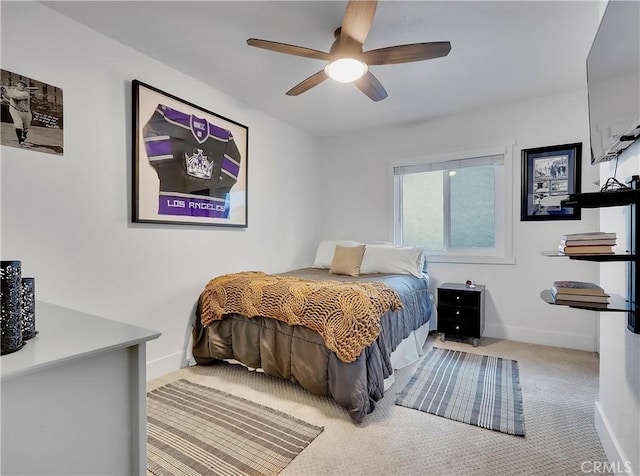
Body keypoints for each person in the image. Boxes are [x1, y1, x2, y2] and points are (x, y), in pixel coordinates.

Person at [1, 79, 33, 146]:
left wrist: (7, 88)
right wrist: (3, 91)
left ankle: (24, 135)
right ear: (17, 85)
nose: (22, 86)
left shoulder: (25, 94)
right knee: (18, 124)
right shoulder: (13, 91)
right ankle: (20, 142)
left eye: (23, 85)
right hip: (15, 110)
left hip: (26, 112)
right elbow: (9, 97)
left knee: (26, 128)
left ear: (25, 87)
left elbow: (14, 97)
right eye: (20, 84)